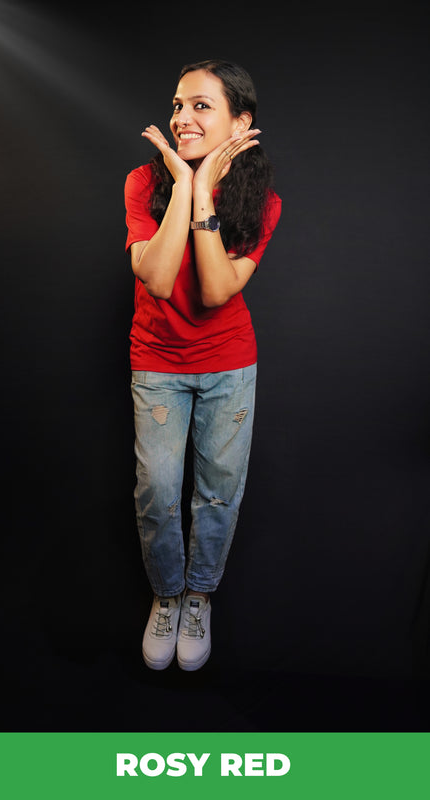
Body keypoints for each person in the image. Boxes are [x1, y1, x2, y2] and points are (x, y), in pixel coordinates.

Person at [124, 59, 281, 671]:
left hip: (228, 365)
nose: (182, 118)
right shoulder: (144, 181)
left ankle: (198, 597)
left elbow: (217, 291)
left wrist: (204, 194)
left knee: (218, 496)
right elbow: (160, 278)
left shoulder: (262, 203)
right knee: (157, 493)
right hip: (158, 361)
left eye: (201, 106)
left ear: (241, 122)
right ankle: (166, 595)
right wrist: (185, 185)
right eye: (177, 105)